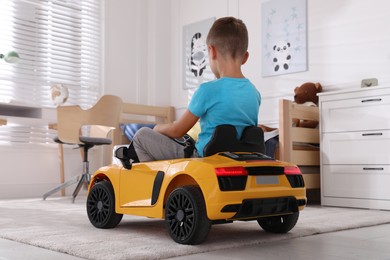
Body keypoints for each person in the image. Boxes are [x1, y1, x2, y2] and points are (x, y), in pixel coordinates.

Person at [132, 16, 261, 162]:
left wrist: (157, 128)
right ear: (245, 57)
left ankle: (156, 181)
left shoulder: (207, 90)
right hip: (241, 160)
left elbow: (177, 130)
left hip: (203, 159)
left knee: (141, 136)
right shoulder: (254, 93)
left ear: (212, 51)